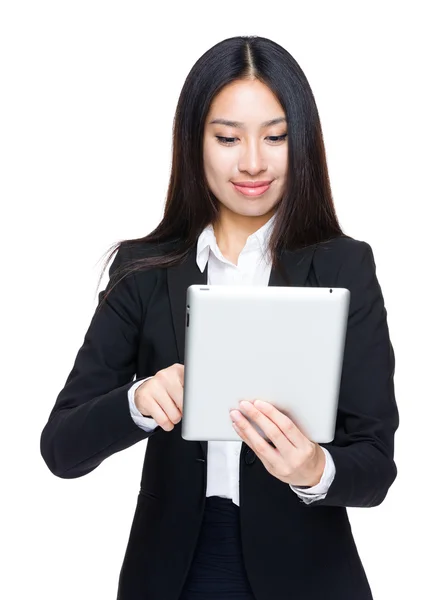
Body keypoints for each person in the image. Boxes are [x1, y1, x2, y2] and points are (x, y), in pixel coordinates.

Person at [40, 35, 399, 600]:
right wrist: (138, 403)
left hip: (308, 573)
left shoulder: (345, 266)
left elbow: (376, 466)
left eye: (275, 137)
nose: (252, 161)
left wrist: (312, 469)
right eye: (228, 137)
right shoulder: (144, 270)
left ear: (301, 143)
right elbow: (60, 448)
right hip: (175, 572)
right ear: (195, 142)